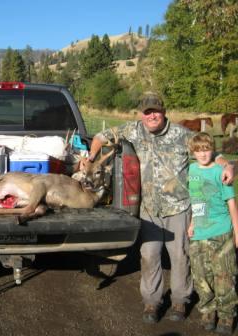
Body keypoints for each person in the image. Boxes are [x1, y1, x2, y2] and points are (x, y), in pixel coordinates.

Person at [88, 92, 234, 324]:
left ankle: (179, 300)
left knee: (179, 257)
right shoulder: (133, 130)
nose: (152, 115)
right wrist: (91, 155)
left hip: (179, 208)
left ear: (164, 112)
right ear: (141, 114)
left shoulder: (181, 134)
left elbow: (209, 152)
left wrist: (227, 165)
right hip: (149, 210)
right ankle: (152, 302)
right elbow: (101, 135)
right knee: (149, 256)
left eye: (156, 111)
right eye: (147, 112)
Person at [187, 132, 238, 334]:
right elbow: (195, 200)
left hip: (221, 230)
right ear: (193, 152)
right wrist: (192, 223)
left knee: (224, 275)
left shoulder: (221, 172)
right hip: (199, 232)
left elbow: (232, 205)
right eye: (198, 151)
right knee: (201, 275)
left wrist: (236, 231)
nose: (203, 154)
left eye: (206, 149)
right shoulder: (191, 170)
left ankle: (226, 316)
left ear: (212, 150)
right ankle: (208, 310)